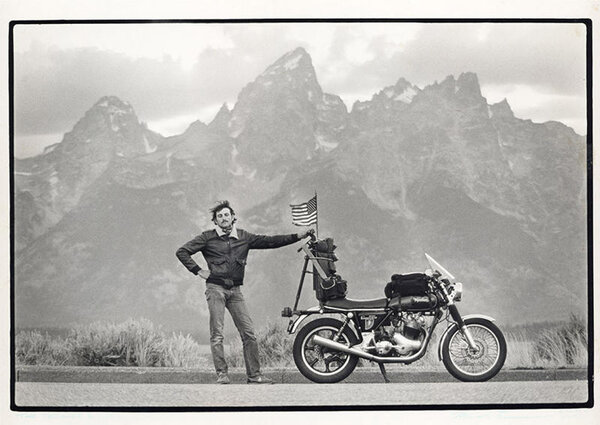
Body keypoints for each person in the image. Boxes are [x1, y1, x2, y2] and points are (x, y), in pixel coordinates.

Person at [176, 200, 312, 384]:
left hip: (236, 291)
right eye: (219, 216)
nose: (223, 218)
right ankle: (222, 374)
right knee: (217, 333)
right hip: (215, 288)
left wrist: (297, 235)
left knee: (249, 333)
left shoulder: (244, 237)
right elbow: (182, 251)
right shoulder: (207, 237)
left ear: (233, 217)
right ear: (215, 221)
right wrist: (198, 270)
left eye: (226, 215)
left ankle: (254, 376)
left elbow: (270, 241)